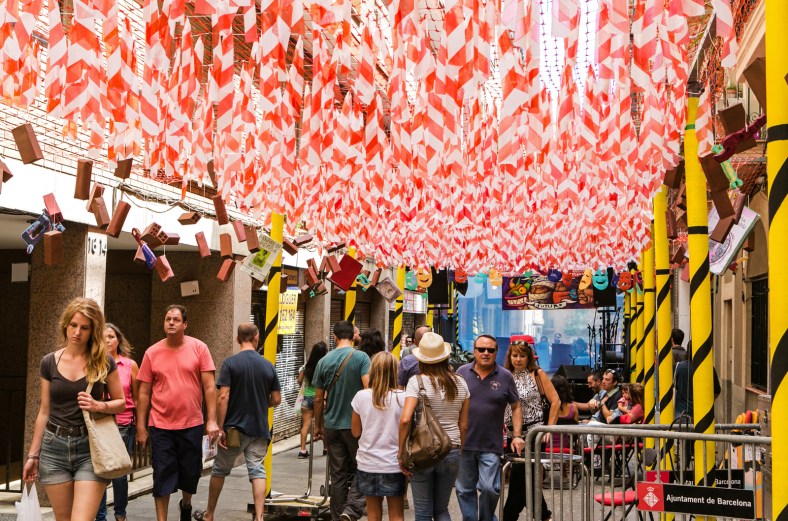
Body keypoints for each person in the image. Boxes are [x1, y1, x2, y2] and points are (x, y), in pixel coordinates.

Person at [23, 298, 126, 521]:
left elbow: (121, 402)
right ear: (65, 325)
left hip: (89, 447)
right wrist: (33, 454)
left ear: (93, 330)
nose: (77, 332)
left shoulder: (103, 361)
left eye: (84, 327)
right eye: (73, 325)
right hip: (54, 448)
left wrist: (99, 405)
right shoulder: (49, 362)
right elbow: (44, 411)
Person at [136, 305, 220, 521]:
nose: (171, 322)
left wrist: (212, 420)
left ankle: (186, 504)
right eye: (167, 319)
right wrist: (141, 427)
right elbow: (143, 393)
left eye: (175, 319)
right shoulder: (151, 352)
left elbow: (210, 387)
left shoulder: (199, 348)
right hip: (160, 425)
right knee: (162, 475)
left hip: (191, 424)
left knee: (190, 473)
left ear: (185, 324)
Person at [192, 323, 281, 521]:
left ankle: (209, 514)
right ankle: (259, 517)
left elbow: (223, 396)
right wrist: (259, 404)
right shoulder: (268, 365)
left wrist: (220, 426)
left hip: (234, 429)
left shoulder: (230, 363)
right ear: (257, 338)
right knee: (257, 470)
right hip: (259, 428)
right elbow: (276, 399)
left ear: (237, 339)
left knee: (220, 470)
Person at [398, 332, 470, 521]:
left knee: (422, 511)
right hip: (452, 448)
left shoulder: (416, 382)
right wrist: (459, 448)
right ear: (446, 357)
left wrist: (401, 453)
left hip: (423, 450)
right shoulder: (461, 382)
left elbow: (405, 419)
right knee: (441, 510)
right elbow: (464, 425)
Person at [455, 335, 525, 521]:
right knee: (464, 490)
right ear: (474, 351)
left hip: (491, 445)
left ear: (496, 353)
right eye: (481, 349)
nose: (486, 353)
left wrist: (517, 435)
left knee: (490, 488)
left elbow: (516, 406)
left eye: (490, 350)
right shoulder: (461, 372)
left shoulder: (505, 376)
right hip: (463, 443)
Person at [313, 320, 371, 521]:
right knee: (363, 468)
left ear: (335, 337)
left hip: (332, 425)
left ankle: (338, 517)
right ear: (353, 336)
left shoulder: (323, 361)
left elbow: (318, 398)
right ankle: (352, 509)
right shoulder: (361, 358)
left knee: (337, 474)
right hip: (356, 427)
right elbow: (368, 389)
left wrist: (318, 425)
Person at [502, 340, 559, 521]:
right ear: (509, 356)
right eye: (515, 355)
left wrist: (548, 429)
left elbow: (555, 401)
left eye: (522, 355)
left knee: (520, 476)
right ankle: (543, 516)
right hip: (512, 435)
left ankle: (509, 516)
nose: (518, 359)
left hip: (534, 433)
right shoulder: (505, 375)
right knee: (527, 480)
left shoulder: (537, 374)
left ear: (529, 357)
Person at [351, 352, 406, 521]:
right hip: (394, 464)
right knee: (396, 514)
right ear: (395, 372)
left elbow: (355, 432)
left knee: (373, 514)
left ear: (373, 371)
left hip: (368, 462)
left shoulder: (361, 397)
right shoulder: (403, 398)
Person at [95, 324, 139, 521]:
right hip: (99, 424)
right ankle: (100, 516)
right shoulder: (93, 364)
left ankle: (120, 514)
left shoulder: (130, 365)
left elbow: (137, 398)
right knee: (100, 471)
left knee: (119, 472)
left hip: (123, 422)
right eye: (103, 337)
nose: (107, 340)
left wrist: (140, 426)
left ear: (118, 340)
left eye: (111, 336)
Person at [298, 341, 328, 458]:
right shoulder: (324, 366)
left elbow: (300, 381)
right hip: (319, 399)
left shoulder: (306, 366)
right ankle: (325, 448)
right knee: (324, 425)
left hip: (306, 399)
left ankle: (302, 450)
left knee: (306, 425)